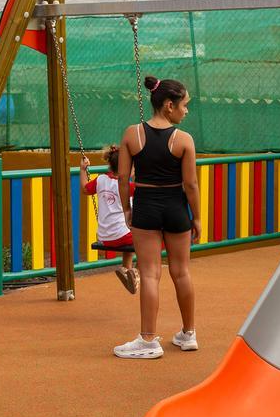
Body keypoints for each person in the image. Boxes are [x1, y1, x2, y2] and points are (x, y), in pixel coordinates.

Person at [111, 76, 202, 359]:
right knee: (181, 272)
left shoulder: (131, 134)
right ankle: (188, 334)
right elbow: (191, 185)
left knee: (150, 273)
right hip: (176, 208)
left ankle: (148, 340)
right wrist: (196, 217)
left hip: (147, 207)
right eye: (184, 105)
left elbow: (124, 177)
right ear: (168, 105)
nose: (186, 111)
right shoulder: (184, 140)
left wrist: (127, 208)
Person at [80, 147, 138, 294]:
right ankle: (137, 274)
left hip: (104, 237)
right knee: (151, 240)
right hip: (122, 236)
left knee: (131, 241)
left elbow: (85, 189)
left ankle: (126, 271)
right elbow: (144, 192)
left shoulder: (100, 179)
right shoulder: (127, 186)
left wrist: (82, 169)